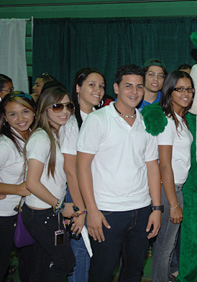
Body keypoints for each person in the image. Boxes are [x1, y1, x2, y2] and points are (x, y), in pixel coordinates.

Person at [77, 64, 161, 282]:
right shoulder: (98, 120)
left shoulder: (146, 122)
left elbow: (152, 166)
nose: (134, 92)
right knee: (102, 273)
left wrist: (157, 208)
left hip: (141, 210)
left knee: (134, 271)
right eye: (128, 86)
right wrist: (91, 210)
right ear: (116, 88)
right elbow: (82, 167)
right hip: (107, 212)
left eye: (139, 87)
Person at [21, 85, 76, 281]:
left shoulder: (57, 134)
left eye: (68, 106)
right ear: (44, 108)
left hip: (49, 211)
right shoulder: (41, 138)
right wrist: (60, 207)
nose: (65, 111)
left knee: (42, 264)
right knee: (65, 262)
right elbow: (32, 183)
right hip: (42, 213)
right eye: (57, 106)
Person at [60, 67, 106, 282]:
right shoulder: (71, 123)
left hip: (98, 193)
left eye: (101, 86)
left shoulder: (101, 118)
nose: (98, 90)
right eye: (91, 85)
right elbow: (71, 169)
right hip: (77, 195)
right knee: (81, 254)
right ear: (77, 88)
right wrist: (81, 209)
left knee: (95, 256)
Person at [152, 70, 194, 281]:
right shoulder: (168, 120)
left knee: (166, 246)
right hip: (168, 189)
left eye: (189, 89)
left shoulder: (180, 118)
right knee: (164, 249)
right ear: (170, 91)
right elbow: (164, 164)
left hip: (174, 188)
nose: (186, 94)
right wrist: (173, 203)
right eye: (180, 89)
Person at [0, 92, 33, 281]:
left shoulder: (34, 136)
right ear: (5, 117)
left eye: (25, 111)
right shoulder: (5, 145)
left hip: (25, 214)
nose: (20, 119)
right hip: (4, 217)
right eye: (13, 114)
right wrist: (15, 189)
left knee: (29, 264)